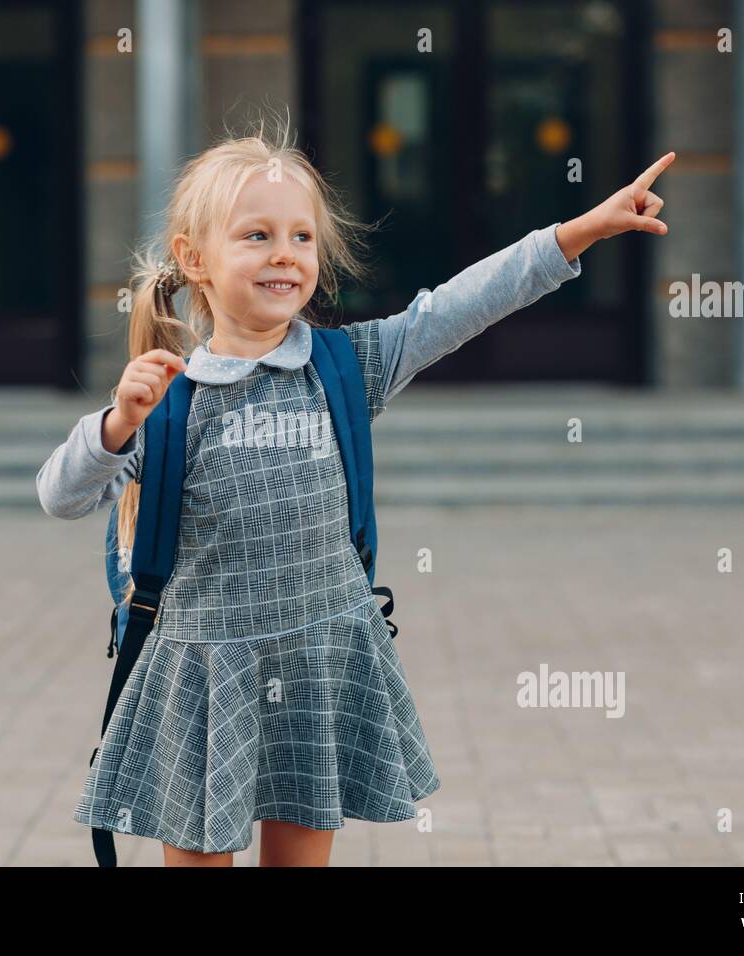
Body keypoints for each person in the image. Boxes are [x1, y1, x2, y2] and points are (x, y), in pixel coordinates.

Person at [37, 111, 673, 866]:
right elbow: (62, 495)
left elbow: (463, 304)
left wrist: (579, 233)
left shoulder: (347, 366)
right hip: (207, 675)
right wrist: (115, 423)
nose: (286, 255)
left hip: (321, 660)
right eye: (257, 236)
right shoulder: (168, 399)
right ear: (194, 258)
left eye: (301, 237)